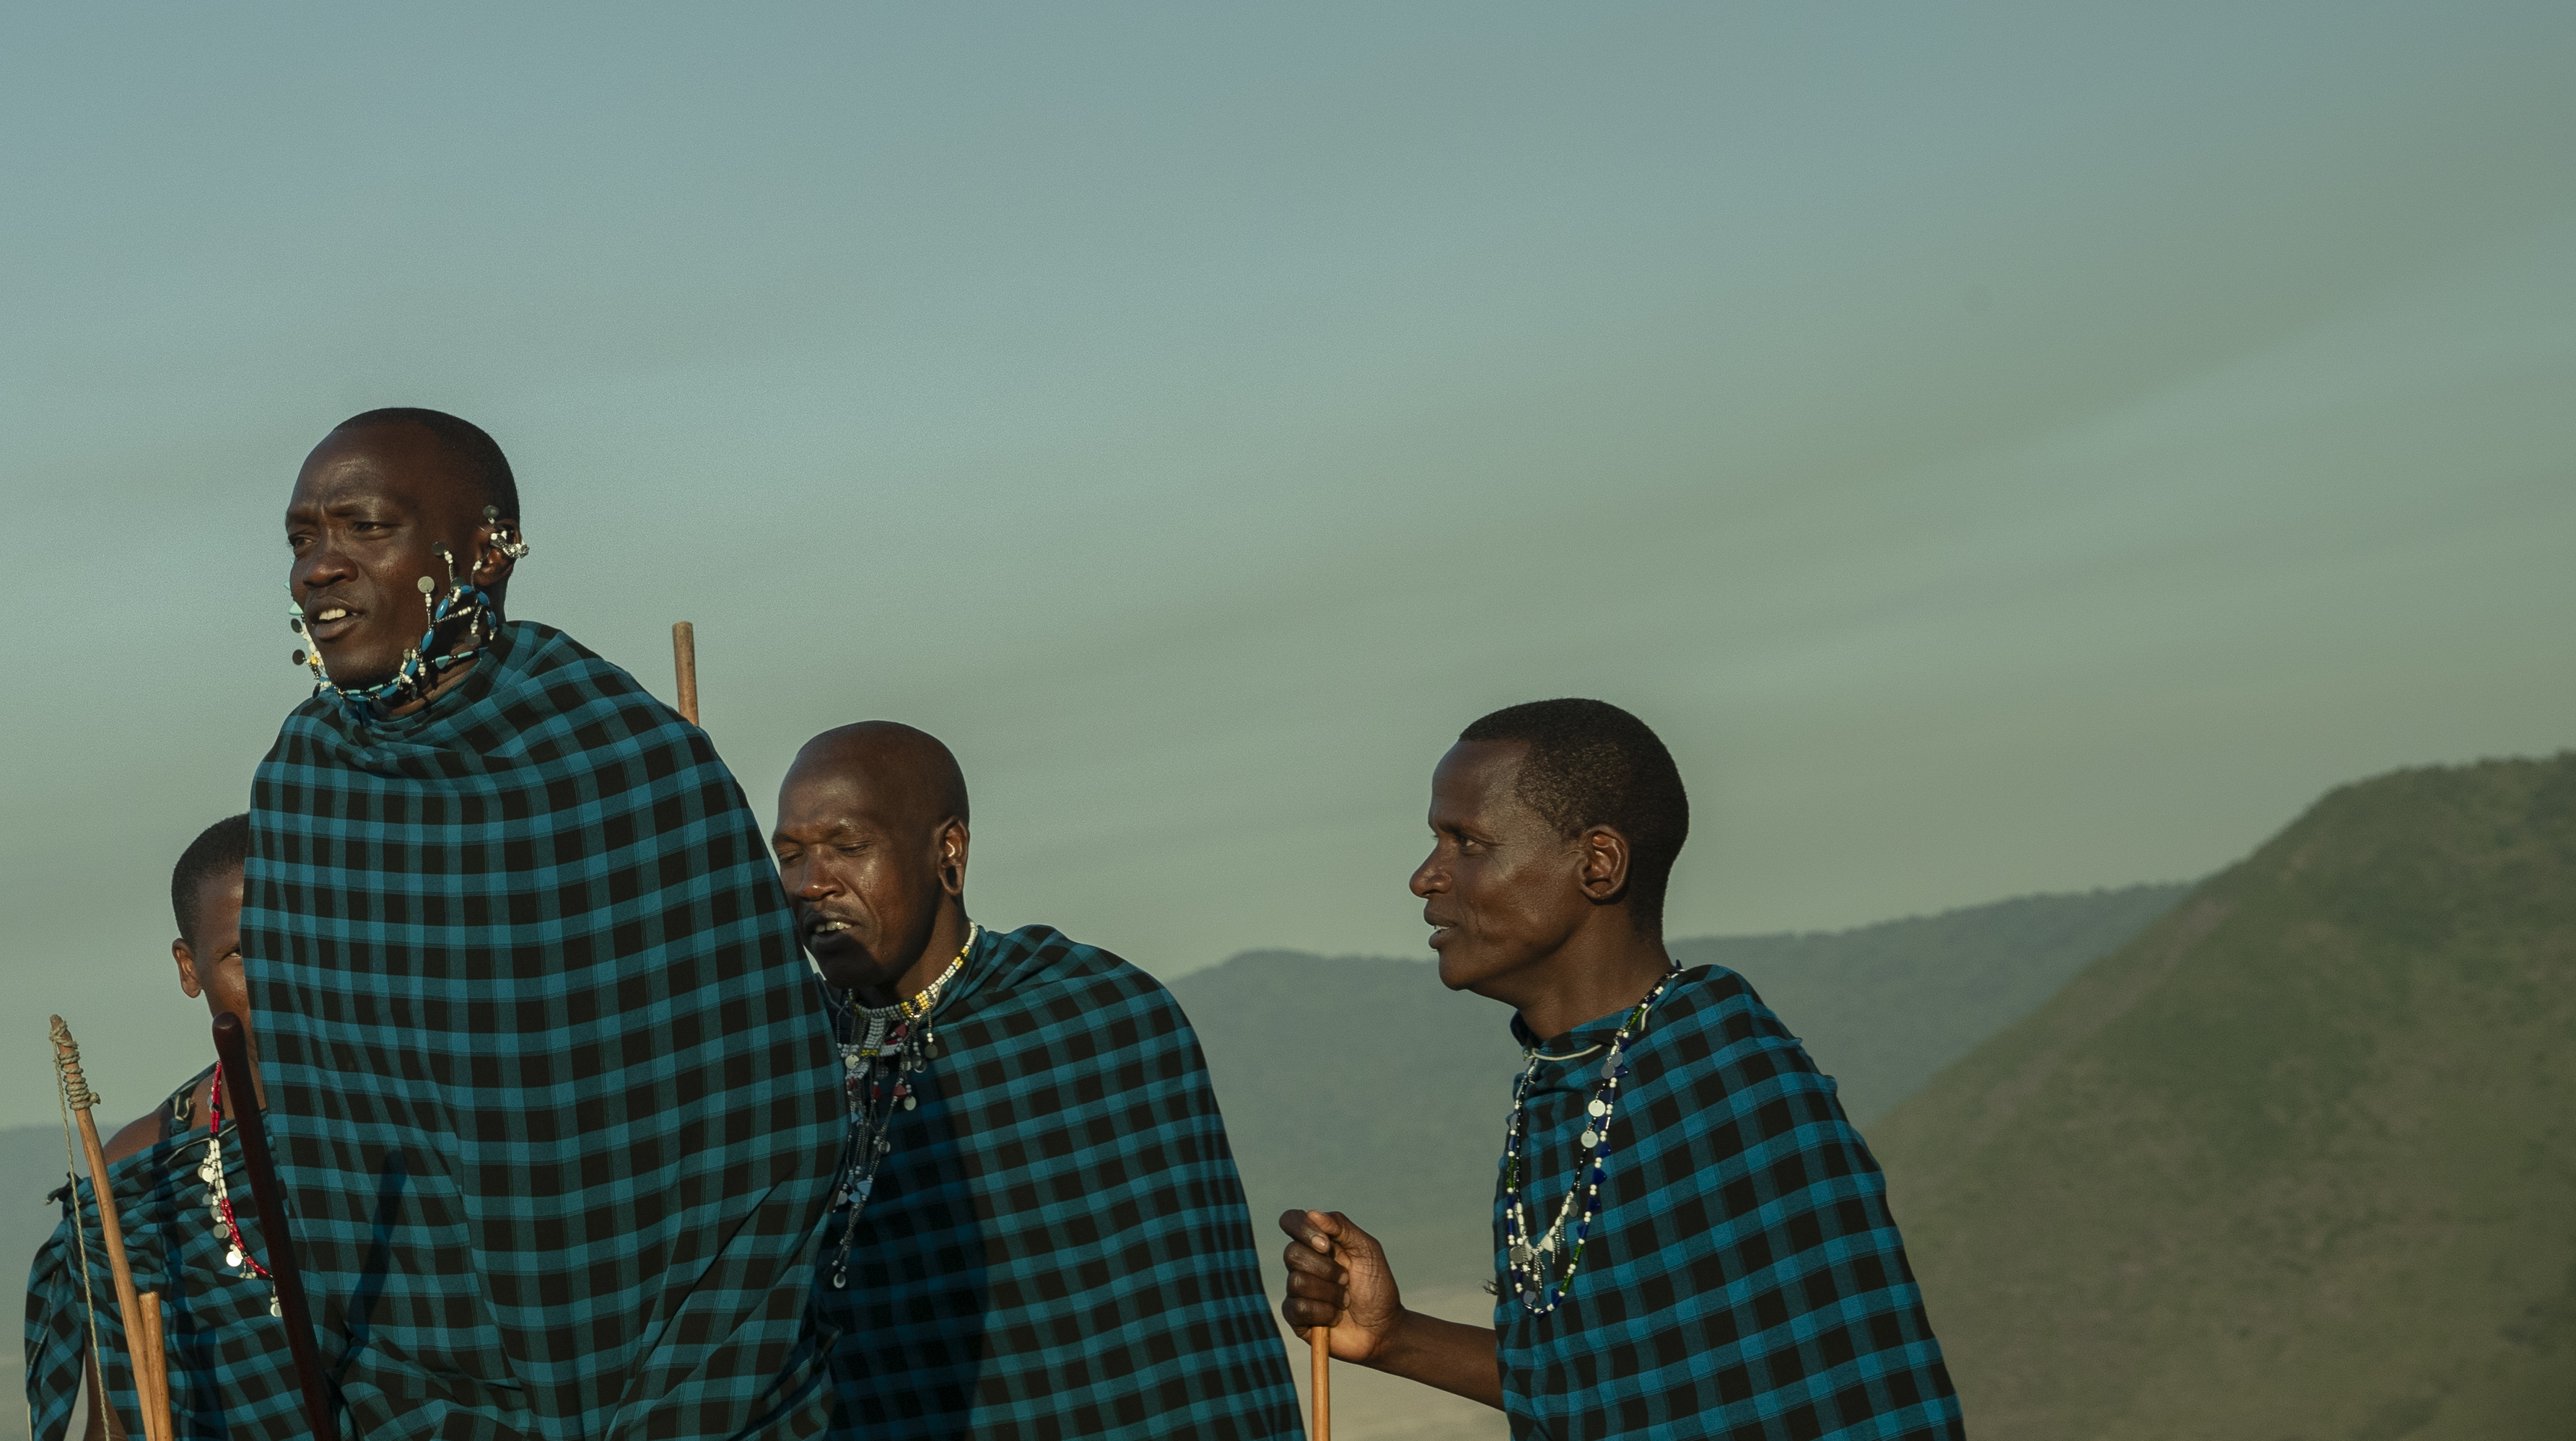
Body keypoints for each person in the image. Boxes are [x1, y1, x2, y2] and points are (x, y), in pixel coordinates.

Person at [243, 407, 844, 1441]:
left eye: (364, 529)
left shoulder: (627, 767)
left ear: (482, 550)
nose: (318, 569)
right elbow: (336, 1180)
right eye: (303, 539)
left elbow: (773, 1137)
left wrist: (679, 1415)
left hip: (699, 1396)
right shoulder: (305, 797)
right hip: (434, 1413)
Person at [1278, 701, 1965, 1441]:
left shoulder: (1718, 1086)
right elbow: (1606, 1389)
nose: (1425, 877)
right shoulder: (1570, 1082)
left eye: (1467, 842)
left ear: (1597, 864)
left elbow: (1842, 1395)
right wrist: (1394, 1337)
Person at [774, 722, 1301, 1440]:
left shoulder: (1090, 1018)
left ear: (947, 852)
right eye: (791, 856)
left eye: (847, 847)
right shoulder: (781, 1056)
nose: (811, 884)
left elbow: (1186, 1340)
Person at [22, 815, 303, 1441]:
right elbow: (116, 1421)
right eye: (239, 953)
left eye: (297, 936)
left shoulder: (414, 1109)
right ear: (189, 966)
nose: (278, 976)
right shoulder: (144, 1174)